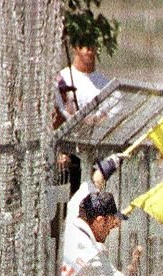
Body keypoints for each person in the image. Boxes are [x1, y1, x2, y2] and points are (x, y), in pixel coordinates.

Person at [53, 39, 111, 194]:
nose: (89, 49)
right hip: (67, 154)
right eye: (84, 44)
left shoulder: (106, 84)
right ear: (74, 47)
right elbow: (58, 116)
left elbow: (110, 117)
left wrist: (88, 121)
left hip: (95, 154)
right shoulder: (61, 79)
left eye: (92, 44)